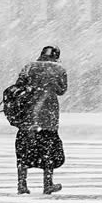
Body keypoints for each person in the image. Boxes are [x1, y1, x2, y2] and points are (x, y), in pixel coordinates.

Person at [15, 45, 67, 195]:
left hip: (28, 116)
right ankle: (47, 184)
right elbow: (62, 90)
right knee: (48, 151)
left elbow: (19, 85)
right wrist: (50, 84)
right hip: (48, 117)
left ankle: (22, 185)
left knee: (24, 151)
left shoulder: (29, 67)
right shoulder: (59, 69)